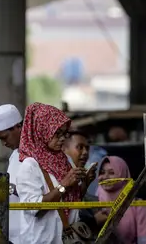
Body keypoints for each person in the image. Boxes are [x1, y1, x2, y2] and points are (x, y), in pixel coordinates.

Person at [16, 103, 95, 244]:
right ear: (42, 131)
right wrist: (63, 185)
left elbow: (71, 200)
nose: (63, 138)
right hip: (42, 240)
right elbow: (33, 208)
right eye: (57, 134)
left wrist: (85, 183)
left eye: (64, 133)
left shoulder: (64, 159)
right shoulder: (30, 165)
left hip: (67, 238)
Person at [0, 103, 25, 244]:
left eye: (4, 137)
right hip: (14, 237)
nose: (3, 143)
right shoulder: (15, 155)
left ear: (18, 127)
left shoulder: (37, 156)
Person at [94, 156, 146, 244]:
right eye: (102, 172)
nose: (105, 177)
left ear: (123, 175)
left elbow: (143, 241)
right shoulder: (93, 201)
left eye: (111, 173)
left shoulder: (138, 206)